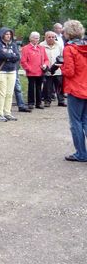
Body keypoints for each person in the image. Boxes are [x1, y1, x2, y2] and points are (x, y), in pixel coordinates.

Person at [60, 20, 87, 162]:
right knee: (86, 121)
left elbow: (69, 72)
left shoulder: (69, 49)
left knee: (75, 122)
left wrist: (61, 67)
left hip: (76, 89)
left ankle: (81, 153)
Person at [0, 27, 21, 122]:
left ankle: (7, 113)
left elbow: (17, 56)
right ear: (2, 35)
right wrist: (11, 56)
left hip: (12, 71)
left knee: (10, 93)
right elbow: (2, 55)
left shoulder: (13, 45)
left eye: (10, 34)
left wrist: (9, 56)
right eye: (6, 34)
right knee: (2, 93)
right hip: (1, 71)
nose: (8, 36)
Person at [20, 32, 48, 109]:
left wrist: (45, 65)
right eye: (35, 38)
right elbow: (23, 61)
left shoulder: (41, 48)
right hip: (31, 72)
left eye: (38, 38)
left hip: (40, 71)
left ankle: (38, 103)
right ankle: (31, 103)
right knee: (31, 88)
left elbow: (46, 59)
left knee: (39, 88)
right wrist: (29, 69)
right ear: (30, 39)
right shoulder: (26, 48)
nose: (37, 40)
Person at [40, 31, 65, 107]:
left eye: (53, 37)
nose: (51, 38)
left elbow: (63, 56)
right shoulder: (41, 45)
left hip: (58, 68)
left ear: (55, 37)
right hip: (47, 68)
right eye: (49, 37)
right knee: (47, 86)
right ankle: (47, 101)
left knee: (60, 85)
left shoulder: (59, 45)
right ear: (45, 37)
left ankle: (61, 100)